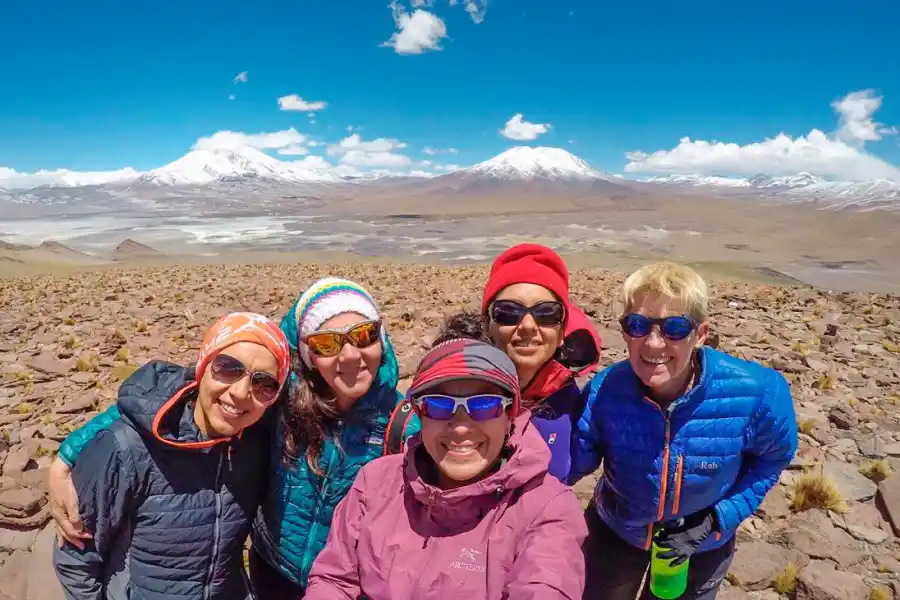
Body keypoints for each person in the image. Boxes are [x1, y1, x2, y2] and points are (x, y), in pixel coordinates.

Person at [48, 277, 419, 599]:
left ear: (381, 337)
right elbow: (156, 404)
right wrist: (67, 456)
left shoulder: (403, 422)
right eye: (327, 343)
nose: (350, 355)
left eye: (365, 335)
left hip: (348, 584)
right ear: (308, 355)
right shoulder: (280, 398)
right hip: (272, 571)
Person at [570, 261, 798, 600]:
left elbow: (773, 459)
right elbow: (569, 462)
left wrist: (717, 518)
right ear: (624, 332)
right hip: (616, 533)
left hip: (701, 549)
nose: (653, 343)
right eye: (637, 325)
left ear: (700, 334)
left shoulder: (757, 393)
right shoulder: (605, 391)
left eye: (674, 328)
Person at [305, 338, 588, 600]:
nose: (462, 427)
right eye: (438, 406)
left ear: (509, 416)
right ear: (419, 414)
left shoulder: (548, 509)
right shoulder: (376, 481)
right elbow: (334, 580)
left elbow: (545, 585)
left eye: (484, 405)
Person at [52, 312, 291, 600]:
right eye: (228, 368)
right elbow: (76, 560)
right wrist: (64, 458)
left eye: (264, 383)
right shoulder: (127, 449)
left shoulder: (256, 442)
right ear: (203, 368)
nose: (241, 393)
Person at [433, 243, 601, 482]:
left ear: (562, 330)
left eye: (547, 313)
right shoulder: (448, 390)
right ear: (487, 323)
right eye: (508, 312)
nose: (529, 326)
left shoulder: (571, 400)